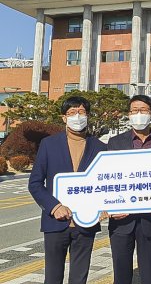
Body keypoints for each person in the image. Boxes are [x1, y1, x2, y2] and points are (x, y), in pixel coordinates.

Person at [28, 96, 107, 284]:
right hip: (55, 222)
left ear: (88, 116)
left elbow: (106, 184)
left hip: (86, 223)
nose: (77, 117)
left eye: (81, 112)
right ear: (64, 118)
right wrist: (54, 207)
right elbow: (35, 183)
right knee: (53, 277)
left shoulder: (101, 148)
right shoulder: (49, 144)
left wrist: (106, 206)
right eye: (72, 113)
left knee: (79, 277)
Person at [107, 95, 151, 284]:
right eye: (134, 110)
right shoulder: (115, 143)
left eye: (143, 110)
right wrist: (110, 206)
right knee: (121, 274)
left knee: (150, 274)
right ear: (128, 115)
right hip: (121, 221)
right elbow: (108, 178)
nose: (138, 114)